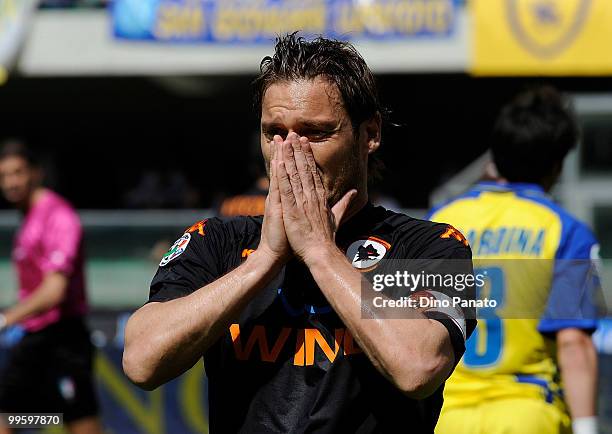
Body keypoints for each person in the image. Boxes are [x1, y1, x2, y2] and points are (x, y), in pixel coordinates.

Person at [123, 33, 476, 433]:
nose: (290, 150)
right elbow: (141, 361)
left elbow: (419, 368)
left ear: (369, 134)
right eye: (274, 131)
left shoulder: (434, 244)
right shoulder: (217, 239)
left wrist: (321, 252)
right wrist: (265, 261)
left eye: (315, 132)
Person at [429, 87, 600, 434]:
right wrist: (587, 426)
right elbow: (573, 342)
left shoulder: (437, 222)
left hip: (445, 415)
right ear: (557, 163)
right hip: (527, 412)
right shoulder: (566, 231)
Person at [0, 141, 102, 434]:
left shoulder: (59, 216)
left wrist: (6, 318)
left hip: (65, 340)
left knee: (80, 423)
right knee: (9, 418)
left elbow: (54, 290)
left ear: (36, 173)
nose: (11, 182)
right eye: (4, 175)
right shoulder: (27, 217)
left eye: (17, 173)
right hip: (36, 339)